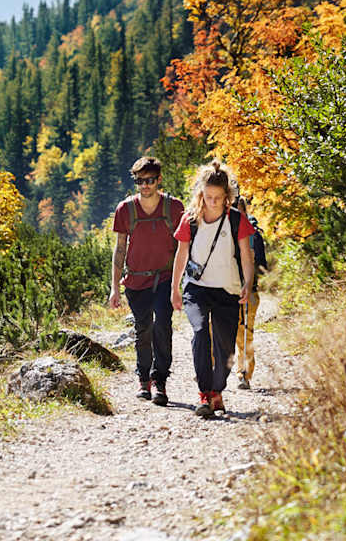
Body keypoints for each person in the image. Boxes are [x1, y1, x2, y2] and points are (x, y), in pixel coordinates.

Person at [170, 161, 255, 417]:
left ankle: (218, 391)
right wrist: (175, 289)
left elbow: (245, 254)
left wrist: (247, 284)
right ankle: (205, 394)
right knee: (199, 333)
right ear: (201, 194)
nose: (213, 202)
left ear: (227, 196)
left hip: (227, 290)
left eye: (218, 198)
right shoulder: (191, 219)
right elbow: (181, 254)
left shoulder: (235, 219)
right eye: (208, 197)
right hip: (196, 288)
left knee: (226, 346)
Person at [108, 156, 185, 407]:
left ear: (159, 180)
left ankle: (160, 380)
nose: (145, 186)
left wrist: (182, 283)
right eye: (140, 181)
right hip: (136, 281)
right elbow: (120, 249)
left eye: (150, 180)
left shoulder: (174, 208)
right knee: (143, 330)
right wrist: (114, 288)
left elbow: (184, 245)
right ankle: (144, 380)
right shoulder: (125, 209)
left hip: (164, 277)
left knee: (162, 325)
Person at [233, 197, 268, 390]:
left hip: (249, 291)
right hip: (226, 289)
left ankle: (244, 374)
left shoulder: (254, 235)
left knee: (245, 334)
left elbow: (262, 266)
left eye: (240, 213)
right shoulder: (222, 232)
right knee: (215, 331)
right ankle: (209, 369)